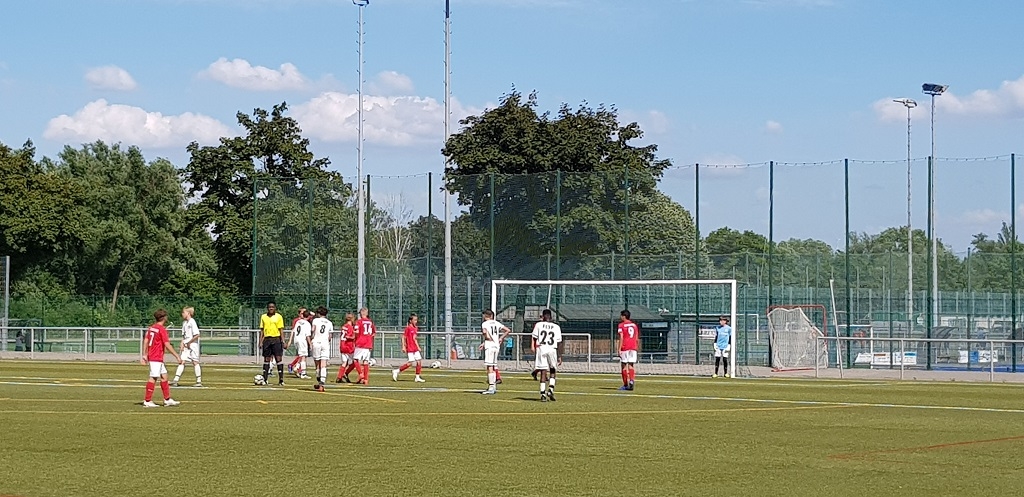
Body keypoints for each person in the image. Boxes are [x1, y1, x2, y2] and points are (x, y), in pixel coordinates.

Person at [141, 309, 182, 408]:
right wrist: (177, 356)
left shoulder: (152, 328)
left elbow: (146, 340)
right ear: (164, 318)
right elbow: (167, 344)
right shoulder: (161, 329)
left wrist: (144, 354)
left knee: (164, 376)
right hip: (156, 356)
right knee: (153, 377)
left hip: (154, 356)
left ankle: (167, 399)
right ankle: (147, 400)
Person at [531, 308, 562, 402]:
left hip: (542, 348)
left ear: (543, 316)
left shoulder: (539, 325)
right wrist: (559, 356)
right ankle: (551, 389)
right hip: (552, 349)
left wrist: (532, 347)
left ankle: (543, 394)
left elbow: (534, 337)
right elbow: (559, 342)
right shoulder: (556, 327)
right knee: (553, 369)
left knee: (543, 371)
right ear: (551, 317)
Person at [479, 309, 510, 395]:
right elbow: (507, 330)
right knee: (493, 365)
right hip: (496, 346)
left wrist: (486, 338)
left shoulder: (485, 324)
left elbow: (485, 333)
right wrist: (501, 338)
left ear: (486, 316)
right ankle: (493, 386)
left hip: (489, 345)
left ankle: (491, 387)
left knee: (489, 366)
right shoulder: (497, 323)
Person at [171, 306, 202, 387]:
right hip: (186, 345)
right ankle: (175, 380)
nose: (182, 314)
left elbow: (197, 335)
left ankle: (199, 381)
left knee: (195, 362)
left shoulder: (192, 322)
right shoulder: (184, 323)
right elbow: (184, 335)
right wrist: (182, 343)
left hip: (193, 346)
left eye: (183, 312)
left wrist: (189, 342)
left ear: (188, 313)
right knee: (182, 361)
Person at [259, 302, 286, 386]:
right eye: (269, 307)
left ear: (275, 308)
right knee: (266, 359)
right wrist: (260, 341)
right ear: (267, 308)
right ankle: (265, 379)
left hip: (276, 339)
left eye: (272, 307)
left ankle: (281, 380)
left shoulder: (279, 317)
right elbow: (262, 330)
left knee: (278, 358)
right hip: (267, 339)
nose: (271, 308)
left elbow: (281, 330)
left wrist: (283, 341)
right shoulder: (263, 317)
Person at [393, 314, 426, 383]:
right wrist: (403, 346)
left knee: (419, 361)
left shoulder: (415, 328)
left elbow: (415, 338)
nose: (416, 321)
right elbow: (403, 337)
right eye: (415, 320)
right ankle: (397, 371)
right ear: (410, 321)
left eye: (416, 320)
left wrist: (418, 346)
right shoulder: (408, 328)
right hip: (410, 348)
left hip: (415, 348)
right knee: (410, 363)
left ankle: (417, 377)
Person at [310, 306, 333, 391]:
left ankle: (319, 380)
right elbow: (330, 336)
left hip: (316, 342)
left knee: (317, 364)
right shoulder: (329, 322)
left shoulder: (315, 320)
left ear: (318, 313)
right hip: (325, 343)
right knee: (324, 364)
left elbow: (313, 330)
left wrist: (311, 339)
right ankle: (322, 383)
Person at [286, 309, 312, 379]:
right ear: (309, 316)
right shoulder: (307, 324)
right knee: (303, 357)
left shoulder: (298, 322)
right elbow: (307, 335)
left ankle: (297, 366)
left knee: (301, 355)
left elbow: (294, 331)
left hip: (296, 340)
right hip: (302, 340)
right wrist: (310, 344)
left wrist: (290, 341)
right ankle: (303, 373)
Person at [353, 307, 377, 385]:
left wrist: (355, 336)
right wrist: (368, 337)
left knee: (355, 360)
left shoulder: (359, 322)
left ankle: (361, 374)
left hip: (360, 342)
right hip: (368, 343)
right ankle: (366, 379)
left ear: (361, 313)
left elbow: (356, 332)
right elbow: (374, 333)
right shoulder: (370, 322)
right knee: (366, 361)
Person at [617, 309, 639, 391]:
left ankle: (626, 385)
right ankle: (632, 380)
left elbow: (621, 337)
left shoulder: (621, 325)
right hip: (633, 347)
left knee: (623, 366)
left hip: (625, 347)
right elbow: (636, 337)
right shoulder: (634, 325)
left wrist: (619, 348)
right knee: (631, 365)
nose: (620, 317)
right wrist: (636, 346)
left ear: (624, 316)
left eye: (621, 315)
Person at [336, 313, 357, 383]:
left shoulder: (344, 326)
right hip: (348, 346)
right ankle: (346, 373)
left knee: (344, 362)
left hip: (342, 345)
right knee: (355, 361)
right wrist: (354, 336)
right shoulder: (350, 327)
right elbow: (348, 336)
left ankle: (339, 377)